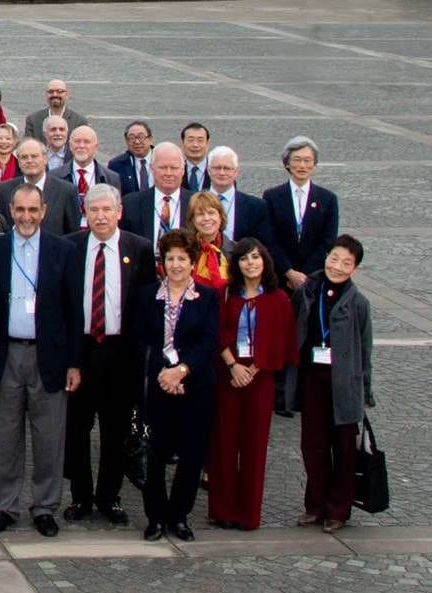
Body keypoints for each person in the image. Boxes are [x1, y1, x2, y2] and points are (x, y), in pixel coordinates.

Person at [0, 182, 82, 537]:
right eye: (19, 210)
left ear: (44, 212)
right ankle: (4, 506)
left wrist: (73, 362)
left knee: (49, 437)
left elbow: (73, 311)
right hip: (5, 355)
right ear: (10, 211)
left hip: (48, 357)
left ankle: (45, 506)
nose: (26, 216)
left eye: (32, 210)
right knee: (4, 436)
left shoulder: (63, 251)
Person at [63, 184, 154, 527]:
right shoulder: (70, 246)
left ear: (119, 212)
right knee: (77, 427)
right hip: (82, 350)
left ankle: (109, 496)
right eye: (93, 210)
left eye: (107, 210)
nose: (100, 216)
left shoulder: (139, 248)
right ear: (85, 213)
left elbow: (145, 306)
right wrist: (69, 360)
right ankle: (80, 497)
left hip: (120, 352)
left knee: (115, 429)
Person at [285, 234, 375, 533]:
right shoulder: (308, 290)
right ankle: (315, 504)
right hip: (312, 377)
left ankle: (338, 508)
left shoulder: (358, 303)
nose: (337, 266)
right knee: (313, 445)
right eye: (334, 259)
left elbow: (365, 348)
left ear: (354, 269)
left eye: (346, 263)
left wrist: (366, 390)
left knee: (345, 448)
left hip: (344, 382)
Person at [207, 238, 295, 530]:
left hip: (260, 379)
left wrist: (254, 369)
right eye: (244, 258)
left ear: (264, 261)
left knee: (254, 446)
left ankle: (248, 513)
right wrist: (233, 365)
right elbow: (216, 332)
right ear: (237, 264)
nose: (250, 263)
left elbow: (282, 341)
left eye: (255, 257)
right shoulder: (224, 295)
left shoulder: (278, 299)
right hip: (229, 375)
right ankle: (223, 510)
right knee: (224, 443)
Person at [139, 230, 220, 541]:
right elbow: (142, 338)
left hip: (194, 386)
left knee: (191, 454)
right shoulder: (148, 295)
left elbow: (209, 340)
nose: (175, 265)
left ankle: (179, 516)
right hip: (159, 385)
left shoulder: (208, 297)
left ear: (192, 262)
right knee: (155, 454)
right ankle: (155, 517)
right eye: (170, 258)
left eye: (181, 259)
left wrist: (182, 371)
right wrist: (165, 374)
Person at [265, 135, 340, 292]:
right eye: (297, 160)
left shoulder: (328, 199)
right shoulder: (272, 197)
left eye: (307, 160)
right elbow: (269, 239)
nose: (302, 165)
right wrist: (289, 272)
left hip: (314, 278)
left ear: (314, 164)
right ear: (287, 163)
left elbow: (328, 240)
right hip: (280, 278)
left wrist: (305, 275)